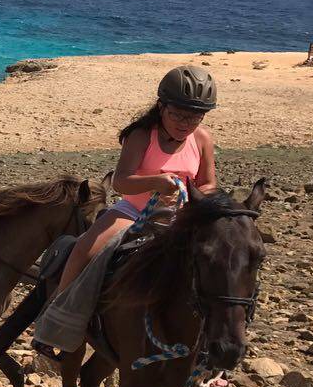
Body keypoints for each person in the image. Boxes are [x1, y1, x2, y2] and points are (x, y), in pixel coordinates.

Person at [53, 64, 219, 294]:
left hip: (183, 215)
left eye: (194, 118)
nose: (185, 124)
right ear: (161, 106)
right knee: (85, 249)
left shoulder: (202, 138)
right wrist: (156, 182)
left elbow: (209, 184)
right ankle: (59, 307)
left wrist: (192, 197)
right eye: (177, 115)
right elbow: (121, 181)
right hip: (133, 211)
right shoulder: (141, 135)